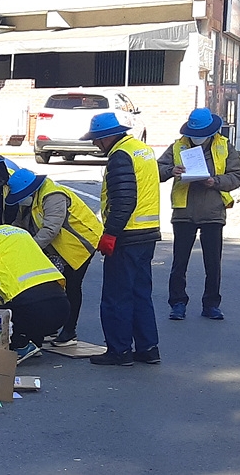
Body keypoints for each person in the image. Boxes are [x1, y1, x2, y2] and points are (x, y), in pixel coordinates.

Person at [81, 112, 162, 366]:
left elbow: (124, 199)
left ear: (107, 137)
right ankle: (148, 348)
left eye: (96, 139)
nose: (95, 144)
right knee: (140, 293)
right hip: (147, 233)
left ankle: (119, 350)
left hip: (127, 235)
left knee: (117, 296)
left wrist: (110, 233)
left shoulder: (120, 156)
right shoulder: (142, 149)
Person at [157, 108, 240, 321]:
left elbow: (237, 175)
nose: (197, 138)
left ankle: (211, 304)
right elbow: (157, 169)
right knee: (179, 262)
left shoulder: (224, 146)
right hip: (184, 211)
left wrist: (215, 181)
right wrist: (171, 171)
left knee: (213, 263)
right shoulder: (178, 146)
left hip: (213, 211)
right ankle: (178, 303)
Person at [6, 169, 103, 347]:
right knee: (53, 285)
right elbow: (20, 224)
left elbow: (50, 229)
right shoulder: (29, 199)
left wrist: (28, 250)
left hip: (79, 245)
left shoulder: (53, 196)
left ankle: (69, 330)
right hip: (58, 247)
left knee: (72, 286)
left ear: (30, 190)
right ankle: (52, 326)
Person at [0, 224, 69, 363]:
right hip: (61, 307)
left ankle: (20, 345)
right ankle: (33, 341)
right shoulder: (20, 235)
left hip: (34, 311)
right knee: (26, 297)